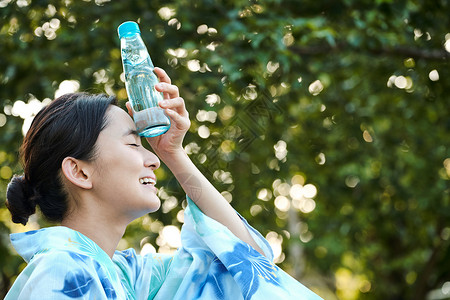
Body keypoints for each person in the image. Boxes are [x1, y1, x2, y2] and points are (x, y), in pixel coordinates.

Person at [5, 67, 322, 299]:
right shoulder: (63, 268)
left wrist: (173, 153)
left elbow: (248, 263)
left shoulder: (130, 275)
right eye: (133, 144)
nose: (152, 160)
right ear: (80, 172)